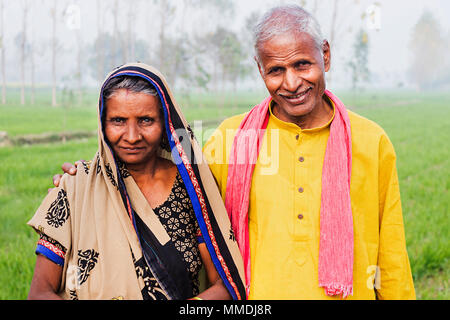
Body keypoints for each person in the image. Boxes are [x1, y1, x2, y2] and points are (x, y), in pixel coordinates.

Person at [53, 6, 416, 300]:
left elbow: (392, 253)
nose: (291, 83)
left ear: (325, 55)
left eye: (302, 64)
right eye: (276, 70)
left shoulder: (371, 142)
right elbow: (163, 179)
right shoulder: (232, 140)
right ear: (260, 70)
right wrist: (86, 181)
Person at [28, 63, 246, 300]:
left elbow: (225, 285)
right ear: (103, 124)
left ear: (165, 122)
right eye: (118, 120)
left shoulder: (192, 188)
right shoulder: (75, 189)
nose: (132, 136)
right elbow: (40, 293)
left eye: (146, 120)